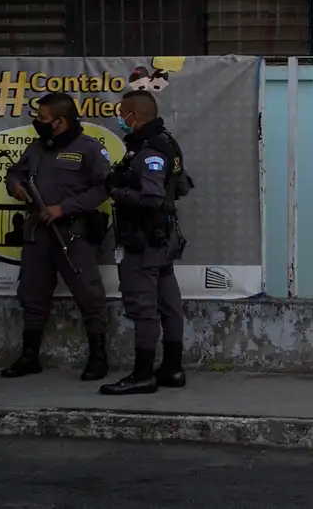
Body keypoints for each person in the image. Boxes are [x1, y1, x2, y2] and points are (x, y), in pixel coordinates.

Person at [1, 92, 112, 381]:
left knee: (89, 296)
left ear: (61, 121)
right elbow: (16, 171)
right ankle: (29, 356)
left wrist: (63, 208)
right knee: (32, 295)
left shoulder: (89, 149)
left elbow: (104, 188)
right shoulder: (37, 147)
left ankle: (98, 357)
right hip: (38, 234)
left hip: (73, 235)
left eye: (43, 118)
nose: (37, 122)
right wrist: (14, 185)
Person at [99, 90, 193, 396]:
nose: (119, 119)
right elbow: (181, 186)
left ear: (135, 116)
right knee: (169, 304)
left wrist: (117, 191)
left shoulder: (151, 151)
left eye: (121, 113)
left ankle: (142, 375)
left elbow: (152, 198)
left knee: (144, 307)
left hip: (145, 239)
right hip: (163, 238)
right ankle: (172, 369)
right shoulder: (166, 143)